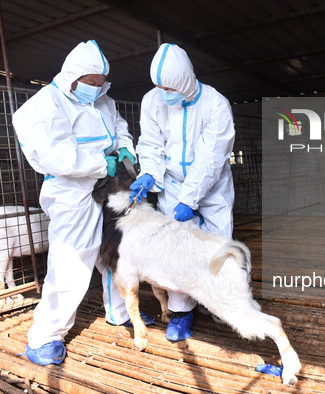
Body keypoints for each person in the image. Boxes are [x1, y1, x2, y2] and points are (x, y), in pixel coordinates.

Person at [12, 40, 155, 366]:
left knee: (113, 253)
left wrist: (126, 150)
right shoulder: (47, 103)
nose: (97, 88)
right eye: (90, 83)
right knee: (71, 263)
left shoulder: (103, 99)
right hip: (71, 193)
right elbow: (52, 154)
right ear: (73, 77)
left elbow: (118, 126)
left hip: (107, 185)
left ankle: (119, 311)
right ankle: (44, 336)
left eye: (101, 82)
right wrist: (98, 163)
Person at [131, 43, 236, 341]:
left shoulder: (215, 104)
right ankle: (181, 312)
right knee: (177, 253)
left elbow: (210, 159)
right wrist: (149, 173)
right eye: (159, 86)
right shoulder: (152, 101)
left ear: (186, 80)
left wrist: (190, 199)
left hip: (211, 187)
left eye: (170, 87)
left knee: (216, 246)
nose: (164, 93)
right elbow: (150, 143)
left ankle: (219, 303)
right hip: (173, 186)